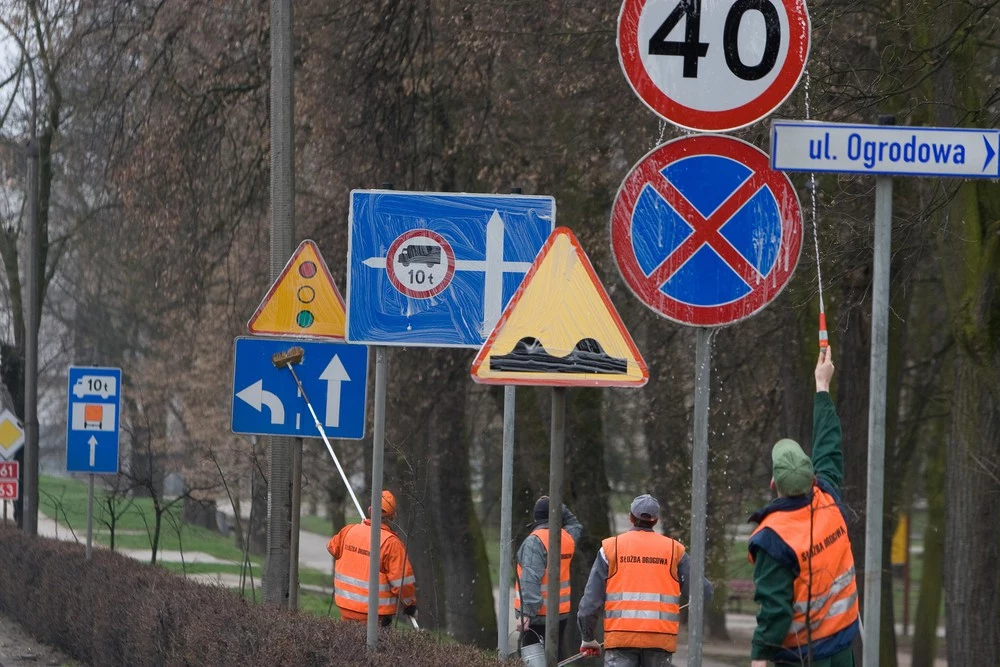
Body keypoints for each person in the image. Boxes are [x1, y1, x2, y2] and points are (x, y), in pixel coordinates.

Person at [748, 346, 860, 666]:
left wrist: (759, 657)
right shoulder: (828, 500)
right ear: (812, 477)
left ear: (774, 484)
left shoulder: (772, 539)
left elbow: (775, 611)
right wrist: (821, 386)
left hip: (800, 658)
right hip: (841, 651)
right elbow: (828, 444)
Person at [577, 494, 714, 666]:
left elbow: (590, 602)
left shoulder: (611, 548)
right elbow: (704, 592)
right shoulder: (674, 550)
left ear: (631, 517)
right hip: (660, 641)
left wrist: (588, 638)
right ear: (656, 520)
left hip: (621, 640)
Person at [327, 489, 416, 626]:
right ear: (393, 517)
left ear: (370, 510)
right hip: (376, 615)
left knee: (346, 645)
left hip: (345, 606)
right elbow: (402, 581)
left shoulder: (348, 531)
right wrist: (409, 604)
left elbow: (332, 547)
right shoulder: (391, 543)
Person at [515, 496, 584, 659]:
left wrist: (526, 614)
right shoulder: (567, 537)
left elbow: (530, 579)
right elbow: (575, 524)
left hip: (537, 617)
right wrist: (557, 502)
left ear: (536, 517)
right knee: (555, 657)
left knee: (532, 658)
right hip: (560, 613)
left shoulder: (535, 541)